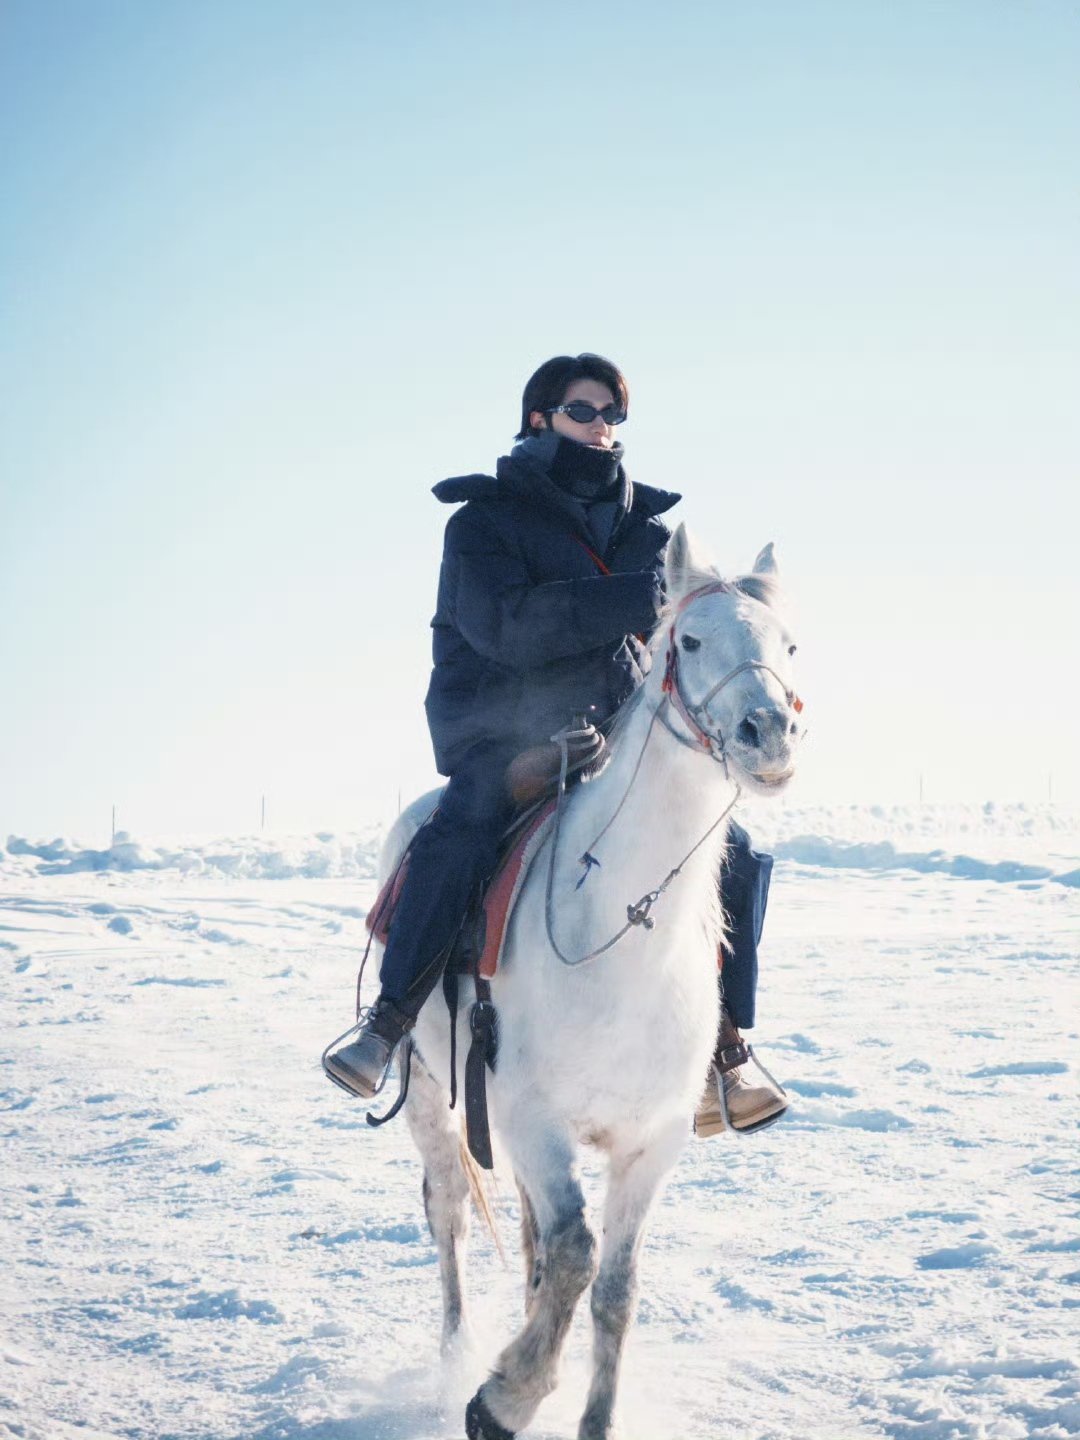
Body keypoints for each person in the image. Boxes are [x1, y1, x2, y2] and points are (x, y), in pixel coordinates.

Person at [323, 353, 787, 1135]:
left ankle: (728, 1051)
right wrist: (633, 598)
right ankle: (389, 1022)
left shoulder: (650, 531)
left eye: (613, 414)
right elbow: (505, 626)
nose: (602, 426)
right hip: (503, 735)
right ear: (540, 417)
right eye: (584, 410)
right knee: (461, 827)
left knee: (731, 846)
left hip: (619, 745)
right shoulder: (482, 523)